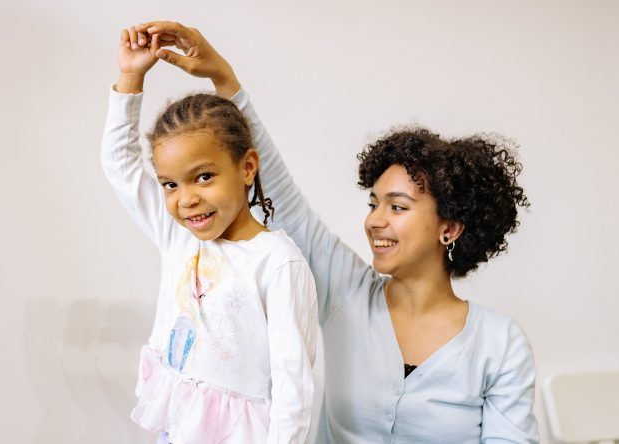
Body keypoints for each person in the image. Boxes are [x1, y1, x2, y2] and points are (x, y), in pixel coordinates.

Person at [136, 21, 539, 444]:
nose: (374, 221)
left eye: (397, 207)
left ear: (450, 228)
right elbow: (281, 196)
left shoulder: (500, 343)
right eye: (373, 203)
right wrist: (224, 80)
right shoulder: (348, 292)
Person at [101, 25, 318, 444]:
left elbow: (294, 388)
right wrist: (130, 79)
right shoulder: (179, 235)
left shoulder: (277, 262)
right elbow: (120, 165)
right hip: (177, 429)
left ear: (247, 167)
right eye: (170, 184)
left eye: (203, 176)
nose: (187, 199)